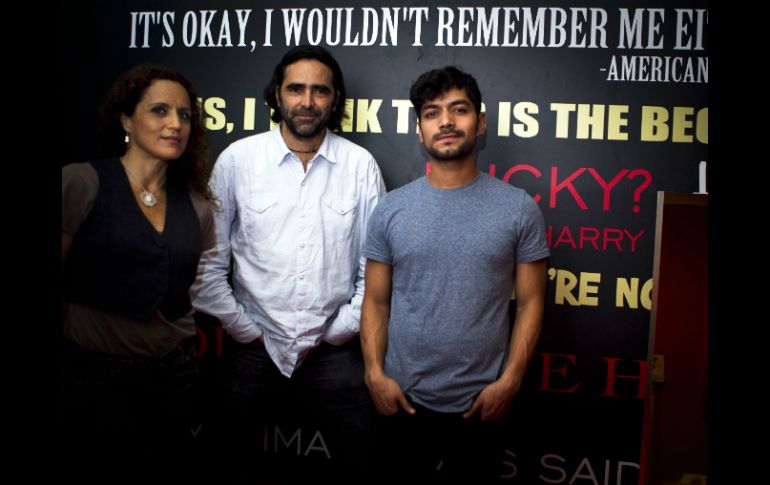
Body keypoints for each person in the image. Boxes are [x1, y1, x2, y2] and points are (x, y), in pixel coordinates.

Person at [191, 45, 385, 483]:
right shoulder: (238, 161)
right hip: (251, 345)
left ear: (335, 99)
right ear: (277, 94)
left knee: (365, 463)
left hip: (334, 347)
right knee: (222, 461)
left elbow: (374, 268)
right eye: (296, 89)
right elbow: (209, 261)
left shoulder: (360, 166)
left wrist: (342, 328)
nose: (307, 101)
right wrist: (242, 327)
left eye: (320, 90)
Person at [361, 66, 550, 483]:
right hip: (402, 400)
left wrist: (510, 381)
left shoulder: (519, 209)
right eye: (431, 113)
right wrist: (374, 374)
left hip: (482, 405)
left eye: (458, 109)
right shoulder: (390, 210)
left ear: (480, 123)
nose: (445, 121)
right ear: (419, 130)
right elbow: (375, 301)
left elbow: (532, 302)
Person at [59, 64, 215, 482]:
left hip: (175, 377)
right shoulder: (80, 182)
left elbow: (193, 287)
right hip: (91, 377)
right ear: (126, 120)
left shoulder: (198, 205)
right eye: (159, 110)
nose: (175, 124)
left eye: (184, 115)